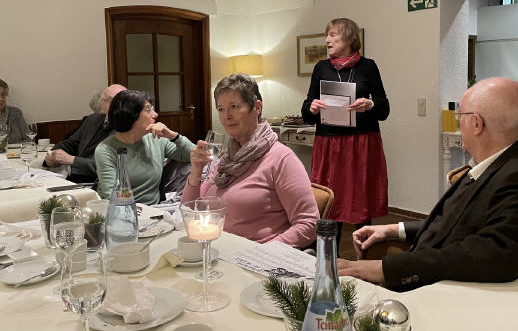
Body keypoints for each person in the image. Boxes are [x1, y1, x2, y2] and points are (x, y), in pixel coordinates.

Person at [338, 77, 518, 292]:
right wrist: (394, 229)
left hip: (443, 292)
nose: (458, 123)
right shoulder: (497, 164)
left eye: (460, 116)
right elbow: (459, 222)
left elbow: (497, 253)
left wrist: (382, 269)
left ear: (476, 123)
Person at [182, 73, 319, 248]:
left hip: (256, 257)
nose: (226, 116)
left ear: (257, 108)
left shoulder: (281, 159)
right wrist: (196, 171)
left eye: (234, 106)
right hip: (217, 251)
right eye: (221, 109)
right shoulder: (227, 160)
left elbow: (309, 224)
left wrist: (261, 252)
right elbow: (191, 211)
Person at [301, 18, 390, 249]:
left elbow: (384, 108)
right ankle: (328, 257)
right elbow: (307, 110)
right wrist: (311, 108)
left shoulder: (368, 66)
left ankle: (363, 254)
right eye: (327, 35)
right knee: (330, 202)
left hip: (361, 143)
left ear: (349, 38)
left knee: (361, 200)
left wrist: (370, 104)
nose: (327, 40)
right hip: (328, 144)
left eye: (333, 35)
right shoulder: (321, 67)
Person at [95, 90, 194, 205]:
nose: (155, 115)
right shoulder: (106, 149)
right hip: (122, 211)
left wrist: (173, 136)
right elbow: (113, 196)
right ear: (130, 114)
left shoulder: (156, 139)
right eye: (148, 109)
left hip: (156, 210)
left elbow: (195, 156)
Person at [43, 84, 126, 183]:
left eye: (122, 101)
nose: (117, 105)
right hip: (74, 178)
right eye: (111, 100)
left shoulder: (128, 129)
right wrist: (51, 155)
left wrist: (72, 160)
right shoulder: (92, 119)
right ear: (102, 102)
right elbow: (70, 143)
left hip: (98, 183)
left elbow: (112, 166)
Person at [0, 79, 28, 143]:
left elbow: (29, 138)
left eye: (3, 95)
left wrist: (17, 147)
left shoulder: (15, 112)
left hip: (17, 150)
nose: (1, 99)